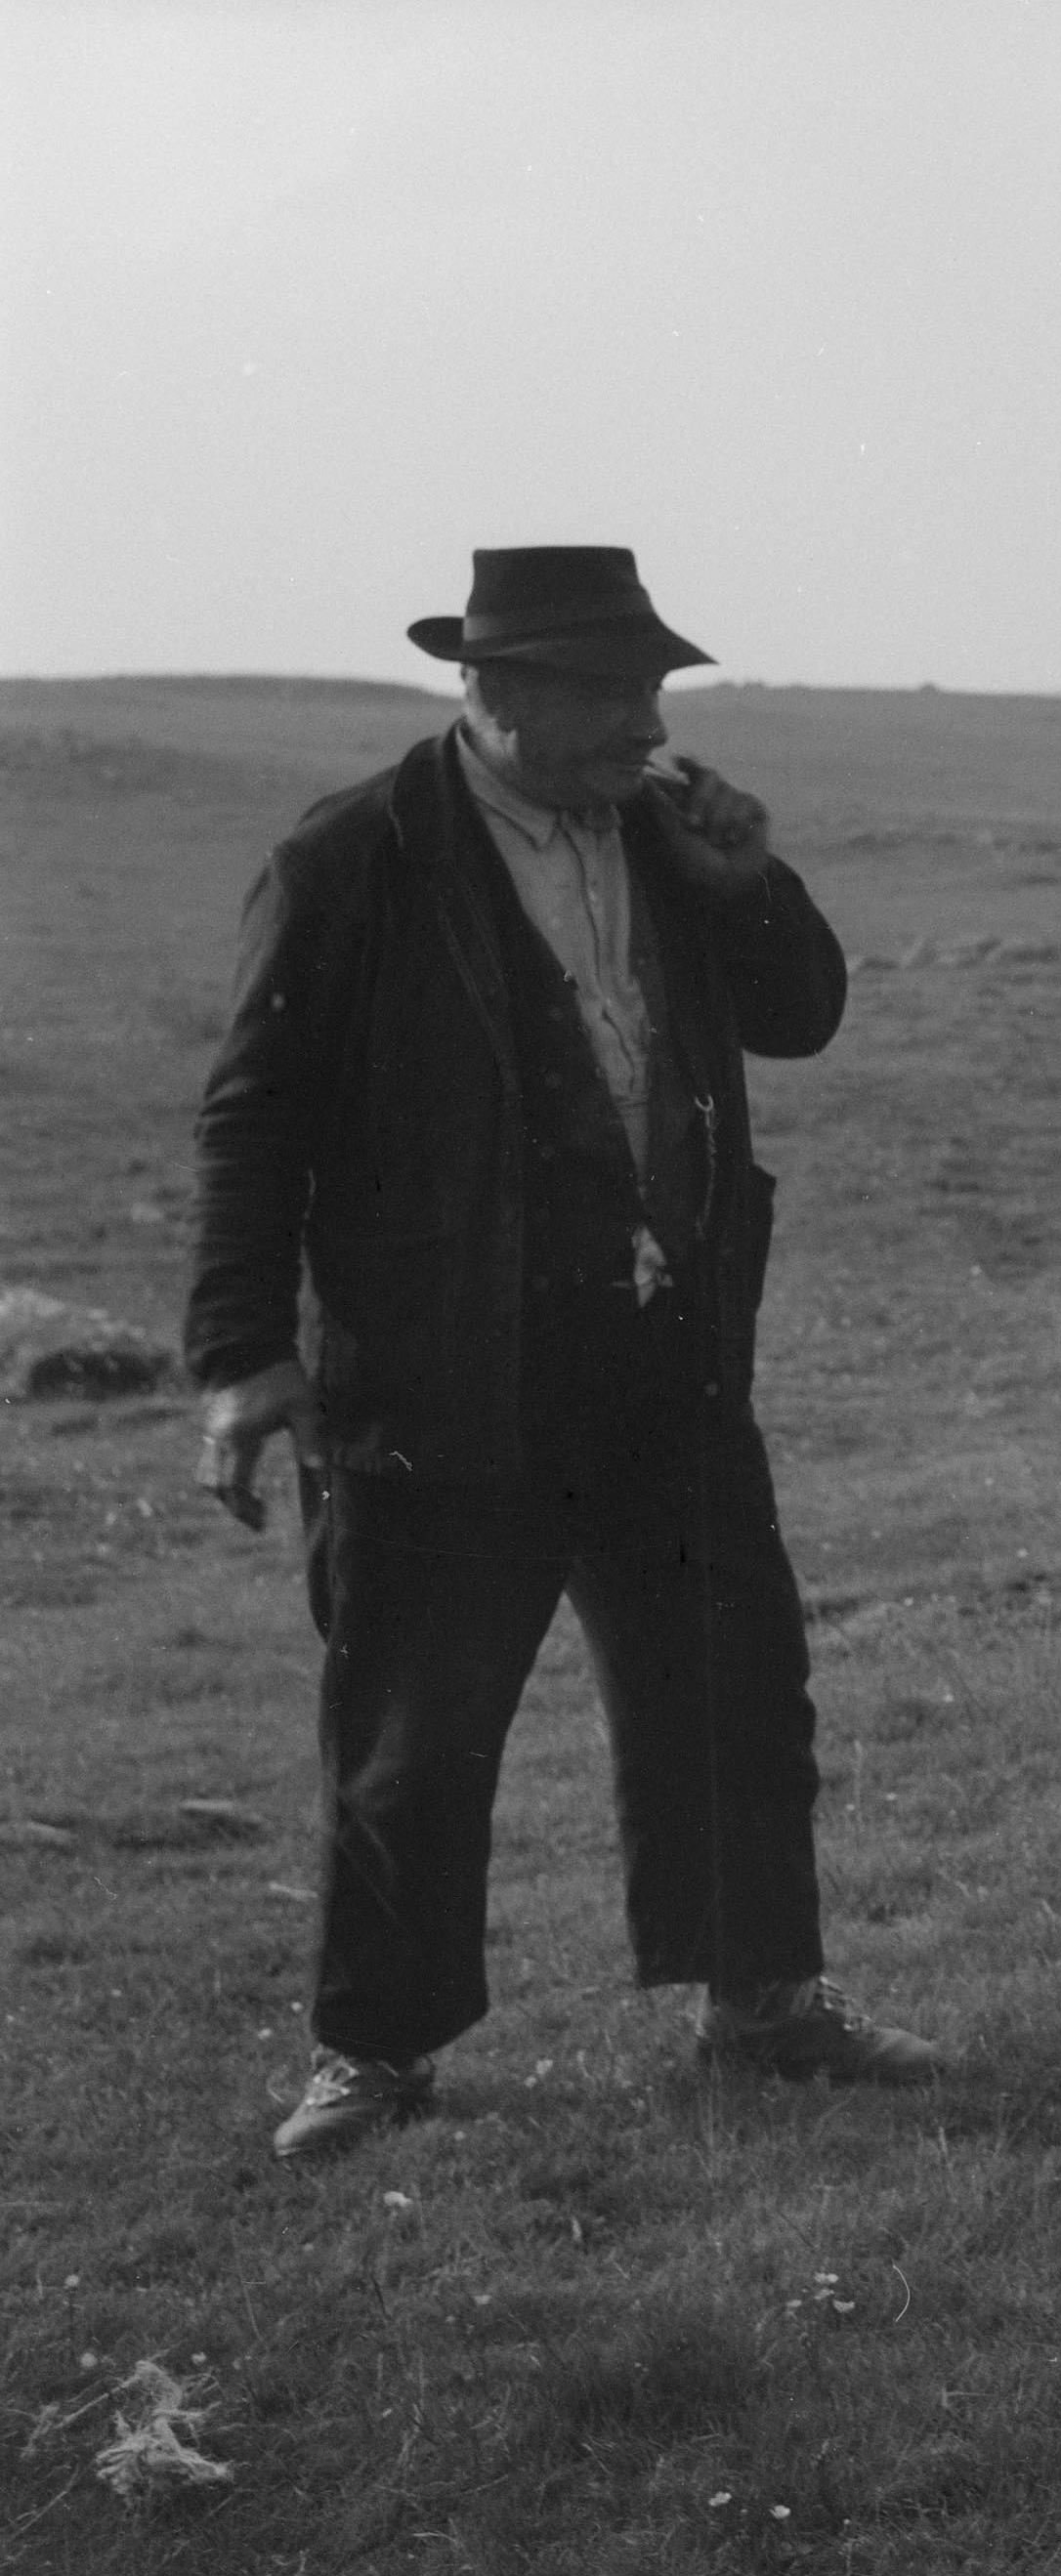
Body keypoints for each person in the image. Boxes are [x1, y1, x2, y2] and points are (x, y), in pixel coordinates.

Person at [185, 545, 935, 2162]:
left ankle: (763, 2006)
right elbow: (254, 1120)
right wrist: (244, 1351)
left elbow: (799, 1016)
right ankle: (373, 2054)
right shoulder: (351, 860)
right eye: (610, 692)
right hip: (442, 1378)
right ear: (493, 692)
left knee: (733, 1690)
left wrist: (751, 884)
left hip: (668, 1363)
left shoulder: (669, 841)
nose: (645, 726)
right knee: (411, 1730)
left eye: (653, 690)